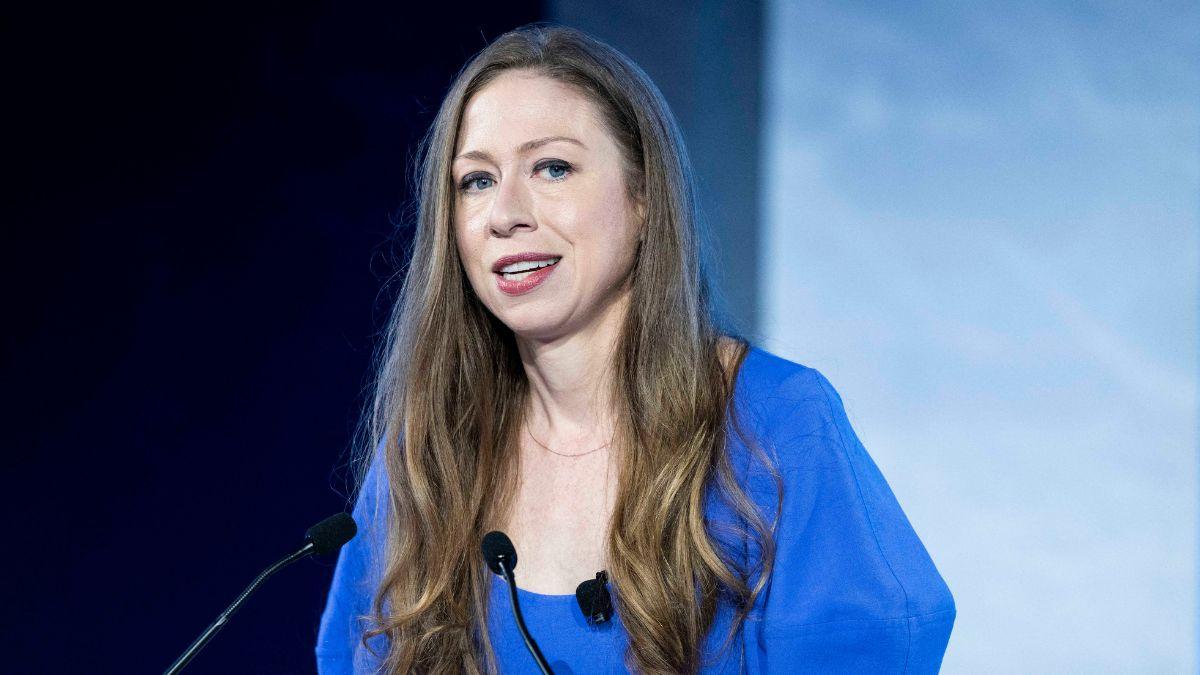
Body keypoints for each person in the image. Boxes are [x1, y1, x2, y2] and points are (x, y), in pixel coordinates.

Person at [316, 24, 955, 674]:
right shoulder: (426, 452)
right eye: (475, 180)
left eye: (553, 167)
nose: (504, 213)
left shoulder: (778, 422)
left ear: (643, 197)